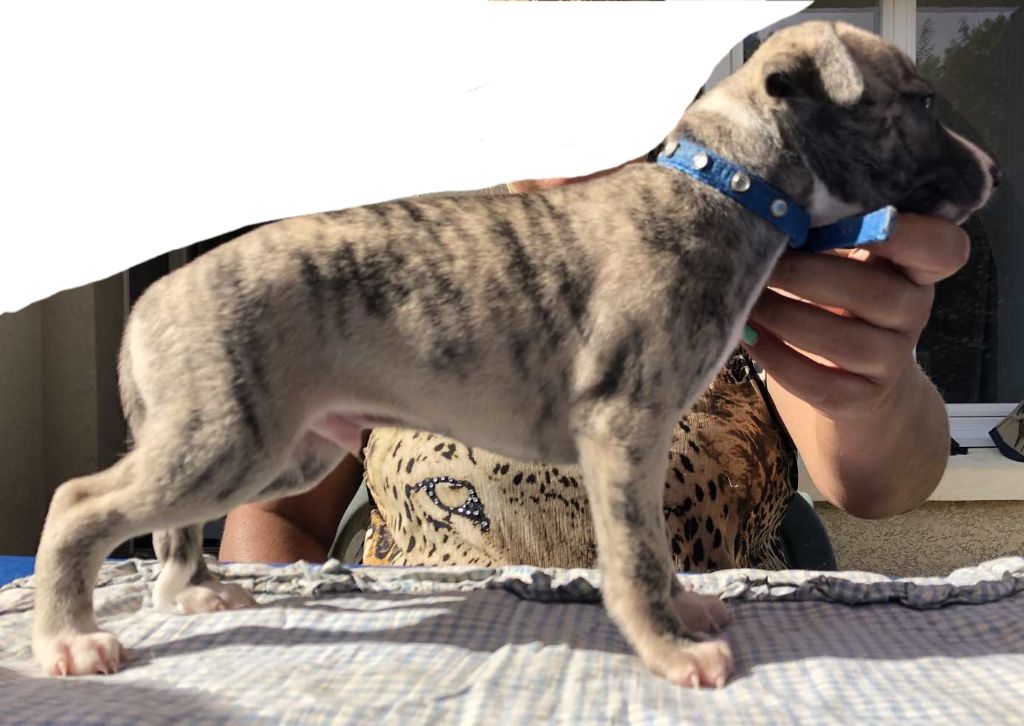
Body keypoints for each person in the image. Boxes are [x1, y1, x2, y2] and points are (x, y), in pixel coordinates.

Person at [218, 167, 969, 572]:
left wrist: (874, 382)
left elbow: (878, 486)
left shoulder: (748, 236)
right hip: (434, 690)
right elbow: (280, 512)